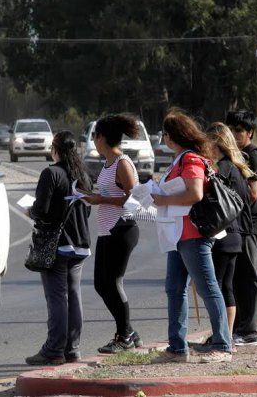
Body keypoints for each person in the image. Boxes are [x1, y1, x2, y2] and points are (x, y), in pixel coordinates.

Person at [150, 109, 232, 364]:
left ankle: (223, 345)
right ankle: (177, 347)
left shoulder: (191, 159)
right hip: (177, 235)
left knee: (208, 288)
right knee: (174, 289)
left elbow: (195, 194)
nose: (163, 138)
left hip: (193, 234)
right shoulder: (180, 159)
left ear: (172, 136)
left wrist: (163, 199)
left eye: (165, 134)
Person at [26, 131, 93, 366]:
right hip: (80, 243)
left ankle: (54, 350)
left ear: (55, 148)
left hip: (57, 244)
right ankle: (72, 349)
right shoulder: (83, 175)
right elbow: (87, 209)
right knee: (73, 295)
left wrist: (30, 211)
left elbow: (41, 210)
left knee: (57, 297)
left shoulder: (51, 173)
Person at [81, 114, 144, 353]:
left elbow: (134, 199)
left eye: (94, 137)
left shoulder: (122, 163)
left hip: (122, 228)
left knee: (113, 283)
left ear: (102, 137)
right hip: (107, 230)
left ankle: (124, 336)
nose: (94, 142)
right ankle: (129, 331)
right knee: (101, 284)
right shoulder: (108, 163)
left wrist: (101, 199)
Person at [206, 122, 254, 342]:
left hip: (224, 235)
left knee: (215, 287)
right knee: (225, 287)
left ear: (217, 144)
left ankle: (221, 336)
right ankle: (226, 334)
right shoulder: (237, 168)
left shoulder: (223, 169)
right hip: (236, 234)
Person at [224, 111, 257, 346]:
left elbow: (253, 193)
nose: (234, 133)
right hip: (235, 224)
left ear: (250, 132)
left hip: (249, 224)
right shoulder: (233, 155)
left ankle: (249, 331)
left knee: (247, 277)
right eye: (231, 129)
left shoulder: (253, 155)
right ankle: (233, 329)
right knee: (233, 278)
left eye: (239, 130)